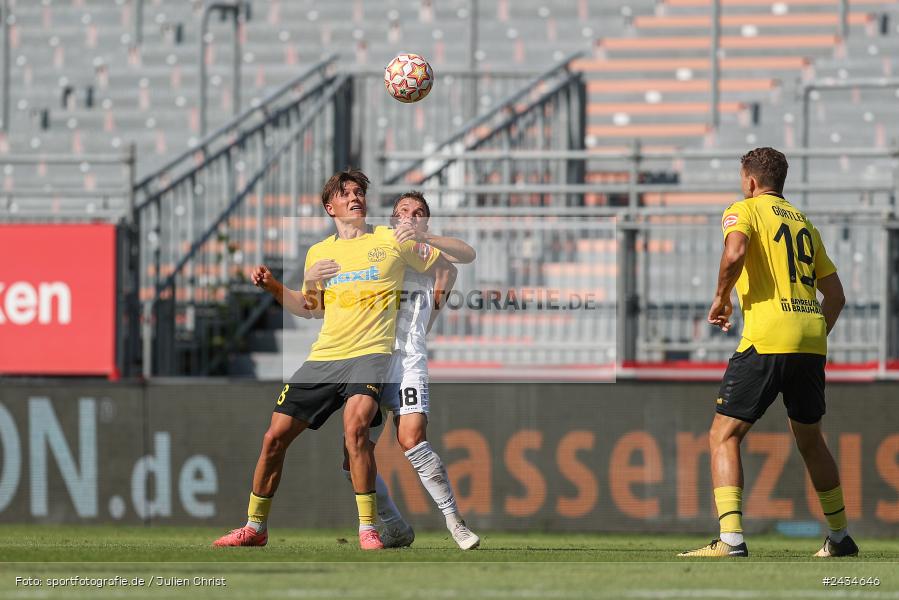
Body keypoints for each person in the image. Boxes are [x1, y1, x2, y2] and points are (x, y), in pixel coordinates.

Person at [212, 169, 442, 550]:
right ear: (329, 206)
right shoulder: (319, 253)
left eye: (359, 193)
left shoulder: (390, 238)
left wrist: (430, 301)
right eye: (346, 193)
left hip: (371, 355)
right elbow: (309, 309)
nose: (356, 198)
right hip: (325, 357)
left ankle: (368, 529)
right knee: (273, 439)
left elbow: (445, 263)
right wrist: (274, 285)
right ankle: (255, 527)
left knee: (355, 432)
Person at [678, 147, 856, 558]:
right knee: (812, 441)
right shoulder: (804, 223)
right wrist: (810, 333)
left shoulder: (745, 209)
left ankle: (731, 540)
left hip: (767, 336)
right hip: (811, 338)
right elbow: (837, 295)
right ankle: (841, 537)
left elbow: (735, 251)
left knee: (723, 435)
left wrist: (720, 297)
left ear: (751, 181)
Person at [340, 191, 481, 550]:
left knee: (412, 438)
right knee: (352, 451)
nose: (410, 216)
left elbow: (464, 255)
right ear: (392, 218)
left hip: (406, 358)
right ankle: (394, 526)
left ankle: (455, 522)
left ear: (426, 222)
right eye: (403, 211)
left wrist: (425, 239)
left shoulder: (425, 251)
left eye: (418, 213)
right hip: (368, 354)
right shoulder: (377, 246)